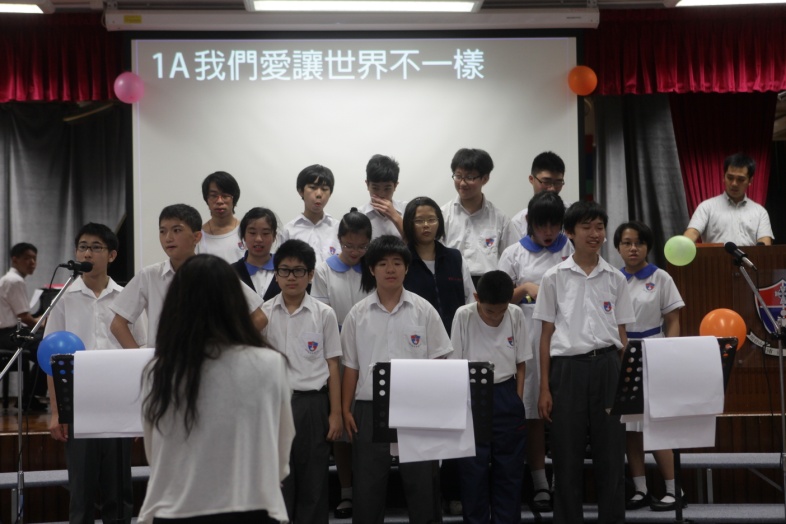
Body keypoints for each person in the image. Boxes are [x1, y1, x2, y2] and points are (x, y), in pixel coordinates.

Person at [137, 254, 294, 524]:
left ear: (176, 306)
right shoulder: (270, 364)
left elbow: (154, 451)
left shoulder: (159, 370)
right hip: (249, 503)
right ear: (235, 303)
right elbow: (282, 440)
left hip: (175, 506)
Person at [534, 201, 635, 524]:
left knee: (611, 456)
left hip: (608, 368)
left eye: (599, 227)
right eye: (586, 227)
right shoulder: (553, 277)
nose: (594, 234)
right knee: (566, 457)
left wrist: (627, 383)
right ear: (569, 232)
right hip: (567, 371)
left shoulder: (616, 278)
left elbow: (622, 335)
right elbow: (545, 337)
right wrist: (544, 388)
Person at [341, 235, 453, 524]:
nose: (390, 269)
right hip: (368, 407)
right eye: (382, 264)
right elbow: (351, 367)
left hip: (416, 407)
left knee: (423, 485)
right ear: (371, 269)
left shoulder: (424, 310)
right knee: (367, 486)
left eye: (396, 263)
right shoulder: (357, 314)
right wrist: (345, 410)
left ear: (407, 268)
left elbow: (439, 360)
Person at [46, 223, 146, 524]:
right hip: (79, 402)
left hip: (119, 402)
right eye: (83, 247)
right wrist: (56, 411)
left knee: (119, 491)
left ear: (112, 255)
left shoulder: (127, 296)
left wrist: (139, 410)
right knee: (82, 492)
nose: (87, 253)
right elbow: (51, 356)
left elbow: (140, 352)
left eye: (96, 247)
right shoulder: (64, 298)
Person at [498, 191, 573, 513]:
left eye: (555, 225)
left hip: (566, 339)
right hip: (527, 339)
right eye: (542, 226)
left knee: (564, 415)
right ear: (530, 222)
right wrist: (526, 288)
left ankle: (565, 481)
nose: (549, 232)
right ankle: (540, 483)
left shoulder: (570, 250)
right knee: (532, 415)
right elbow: (498, 299)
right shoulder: (514, 253)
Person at [261, 239, 342, 524]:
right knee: (279, 480)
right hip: (274, 404)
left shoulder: (324, 314)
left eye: (299, 271)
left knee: (313, 480)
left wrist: (335, 413)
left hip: (312, 405)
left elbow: (333, 364)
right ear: (276, 275)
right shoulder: (263, 314)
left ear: (310, 275)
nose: (291, 277)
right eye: (284, 270)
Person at [110, 204, 266, 349]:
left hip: (206, 362)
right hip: (165, 363)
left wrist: (228, 348)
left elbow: (259, 318)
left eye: (177, 230)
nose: (168, 238)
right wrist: (142, 360)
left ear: (197, 237)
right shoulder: (149, 275)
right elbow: (118, 324)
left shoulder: (215, 273)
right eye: (162, 231)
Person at [613, 221, 685, 513]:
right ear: (618, 247)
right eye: (627, 243)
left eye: (639, 243)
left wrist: (668, 353)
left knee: (655, 425)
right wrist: (621, 350)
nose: (633, 248)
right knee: (630, 427)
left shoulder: (661, 277)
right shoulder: (612, 278)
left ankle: (674, 490)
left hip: (654, 350)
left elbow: (673, 319)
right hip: (621, 353)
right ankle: (640, 489)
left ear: (647, 247)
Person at [449, 270, 530, 524]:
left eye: (501, 311)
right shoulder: (463, 315)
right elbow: (455, 364)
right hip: (472, 393)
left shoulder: (515, 314)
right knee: (473, 472)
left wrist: (517, 399)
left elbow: (521, 363)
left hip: (506, 392)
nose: (495, 316)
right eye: (489, 311)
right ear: (476, 298)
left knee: (509, 471)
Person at [311, 208, 373, 519]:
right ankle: (347, 491)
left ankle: (369, 490)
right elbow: (323, 318)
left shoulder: (373, 268)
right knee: (342, 428)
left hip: (370, 352)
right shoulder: (324, 271)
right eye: (349, 245)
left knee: (366, 424)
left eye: (361, 247)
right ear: (339, 240)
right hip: (336, 355)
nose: (355, 252)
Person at [441, 148, 518, 285]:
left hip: (489, 286)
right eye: (458, 176)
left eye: (469, 177)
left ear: (485, 178)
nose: (462, 183)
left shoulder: (500, 219)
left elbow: (513, 257)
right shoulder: (443, 215)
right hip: (452, 282)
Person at [402, 196, 475, 336]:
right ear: (408, 224)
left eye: (431, 219)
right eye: (419, 221)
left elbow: (470, 300)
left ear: (439, 222)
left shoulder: (455, 258)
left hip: (456, 335)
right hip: (416, 337)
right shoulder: (402, 261)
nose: (426, 225)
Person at [684, 153, 773, 246]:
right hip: (715, 256)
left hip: (749, 256)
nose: (734, 183)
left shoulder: (760, 212)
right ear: (723, 177)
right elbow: (692, 233)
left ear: (750, 181)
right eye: (730, 178)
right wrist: (682, 246)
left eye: (740, 179)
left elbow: (764, 243)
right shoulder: (706, 207)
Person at [0, 242, 47, 411]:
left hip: (7, 333)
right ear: (15, 260)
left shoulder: (9, 279)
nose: (32, 262)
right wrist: (42, 323)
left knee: (43, 346)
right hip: (7, 335)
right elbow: (24, 316)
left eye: (34, 258)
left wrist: (39, 322)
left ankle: (30, 396)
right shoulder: (15, 281)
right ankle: (29, 398)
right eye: (27, 258)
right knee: (47, 348)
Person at [279, 164, 341, 264]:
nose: (319, 194)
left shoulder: (339, 229)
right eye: (313, 187)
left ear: (330, 193)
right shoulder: (288, 231)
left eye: (324, 189)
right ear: (301, 191)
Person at [510, 151, 569, 239]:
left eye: (558, 182)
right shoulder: (518, 223)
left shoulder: (572, 215)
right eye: (546, 182)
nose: (552, 188)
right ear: (531, 179)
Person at [232, 207, 281, 301]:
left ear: (274, 236)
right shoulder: (232, 273)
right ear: (244, 236)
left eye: (265, 233)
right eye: (252, 233)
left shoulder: (285, 270)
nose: (258, 239)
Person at [196, 171, 246, 263]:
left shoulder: (246, 231)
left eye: (225, 196)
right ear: (207, 199)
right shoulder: (198, 236)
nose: (219, 201)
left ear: (234, 199)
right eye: (214, 196)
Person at [359, 154, 407, 239]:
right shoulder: (359, 214)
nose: (381, 194)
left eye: (387, 188)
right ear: (367, 185)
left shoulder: (407, 210)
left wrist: (395, 217)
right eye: (375, 188)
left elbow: (417, 243)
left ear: (395, 186)